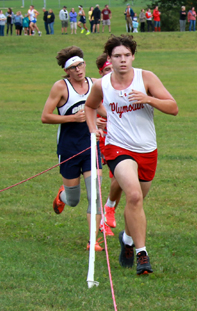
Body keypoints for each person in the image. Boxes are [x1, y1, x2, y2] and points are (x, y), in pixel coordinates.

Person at [85, 35, 179, 275]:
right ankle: (142, 254)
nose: (123, 60)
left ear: (133, 56)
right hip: (117, 147)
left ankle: (127, 239)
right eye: (117, 56)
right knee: (134, 195)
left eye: (127, 55)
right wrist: (93, 128)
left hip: (147, 149)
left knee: (137, 202)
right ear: (109, 59)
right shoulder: (102, 85)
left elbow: (173, 108)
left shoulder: (146, 78)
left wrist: (148, 99)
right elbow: (90, 106)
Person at [41, 47, 106, 251]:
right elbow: (45, 116)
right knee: (73, 199)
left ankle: (92, 241)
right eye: (73, 67)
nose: (78, 70)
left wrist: (105, 120)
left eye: (80, 65)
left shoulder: (95, 84)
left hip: (91, 147)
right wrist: (73, 118)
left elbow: (100, 109)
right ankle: (62, 196)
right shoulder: (61, 87)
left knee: (95, 195)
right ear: (66, 71)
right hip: (69, 148)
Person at [95, 53, 121, 233]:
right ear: (101, 71)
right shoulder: (99, 87)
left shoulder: (124, 85)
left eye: (112, 68)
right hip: (104, 137)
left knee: (120, 179)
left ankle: (107, 215)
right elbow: (92, 107)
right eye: (107, 69)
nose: (111, 72)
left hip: (122, 137)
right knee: (118, 176)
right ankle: (108, 210)